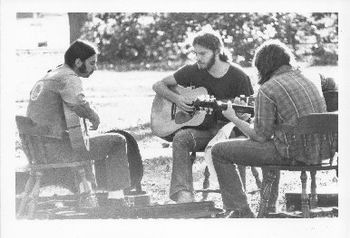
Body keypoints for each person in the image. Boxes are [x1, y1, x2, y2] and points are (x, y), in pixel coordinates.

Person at [211, 39, 327, 218]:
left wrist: (233, 118)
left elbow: (260, 136)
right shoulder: (307, 79)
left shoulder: (268, 88)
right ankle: (268, 209)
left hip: (294, 153)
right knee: (274, 145)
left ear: (263, 66)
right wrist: (247, 119)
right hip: (321, 151)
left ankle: (240, 210)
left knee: (218, 151)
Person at [26, 40, 141, 208]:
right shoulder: (68, 77)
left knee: (83, 140)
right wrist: (94, 116)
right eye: (92, 63)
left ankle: (87, 193)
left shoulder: (50, 75)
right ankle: (116, 198)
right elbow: (78, 104)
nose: (94, 67)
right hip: (56, 151)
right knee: (118, 140)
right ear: (78, 62)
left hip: (38, 151)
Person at [152, 30, 254, 203]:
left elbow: (248, 113)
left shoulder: (238, 76)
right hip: (203, 131)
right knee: (181, 138)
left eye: (203, 53)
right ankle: (184, 197)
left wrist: (238, 114)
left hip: (228, 131)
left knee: (230, 144)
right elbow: (158, 85)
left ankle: (237, 202)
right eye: (196, 53)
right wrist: (178, 99)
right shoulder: (193, 71)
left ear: (217, 51)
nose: (198, 58)